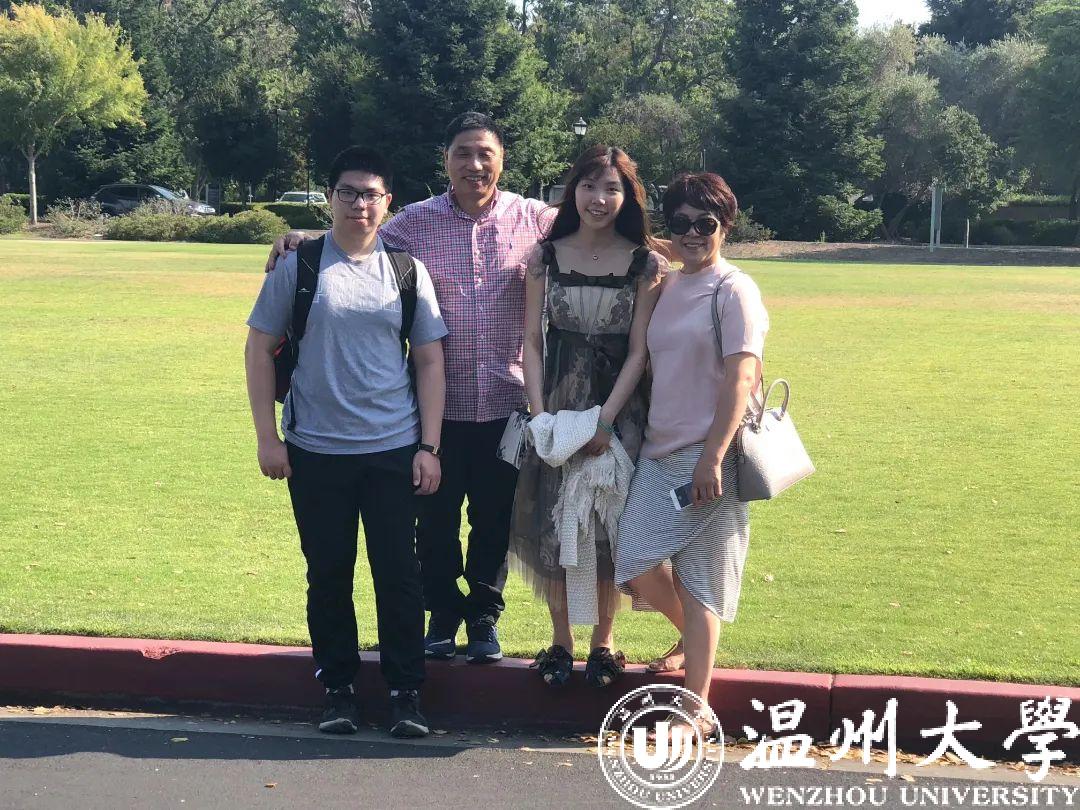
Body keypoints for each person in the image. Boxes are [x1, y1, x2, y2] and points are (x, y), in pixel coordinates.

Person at [266, 113, 554, 664]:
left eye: (485, 153)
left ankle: (484, 617)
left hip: (507, 404)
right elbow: (355, 237)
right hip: (433, 411)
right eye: (463, 152)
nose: (474, 164)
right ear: (445, 159)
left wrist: (664, 256)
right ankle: (441, 614)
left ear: (502, 160)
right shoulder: (414, 223)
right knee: (433, 522)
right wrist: (300, 240)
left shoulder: (536, 219)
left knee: (495, 520)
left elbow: (597, 230)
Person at [245, 146, 448, 738]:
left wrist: (429, 447)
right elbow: (258, 349)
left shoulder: (407, 270)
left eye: (371, 194)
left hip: (392, 448)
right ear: (330, 198)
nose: (360, 204)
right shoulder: (299, 266)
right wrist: (267, 439)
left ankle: (405, 694)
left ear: (388, 203)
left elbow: (430, 360)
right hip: (315, 451)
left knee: (399, 576)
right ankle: (338, 690)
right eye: (348, 193)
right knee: (328, 574)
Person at [615, 172, 769, 737]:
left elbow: (741, 378)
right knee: (635, 562)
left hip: (709, 455)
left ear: (725, 226)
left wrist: (713, 458)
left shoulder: (734, 290)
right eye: (680, 223)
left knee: (700, 579)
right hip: (659, 452)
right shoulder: (668, 284)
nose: (693, 234)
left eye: (706, 223)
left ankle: (696, 708)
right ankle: (695, 640)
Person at [510, 146, 666, 688]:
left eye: (612, 189)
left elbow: (639, 352)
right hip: (556, 402)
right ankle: (560, 641)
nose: (599, 199)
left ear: (628, 197)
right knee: (555, 519)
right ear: (571, 190)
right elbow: (532, 341)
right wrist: (539, 415)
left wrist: (605, 422)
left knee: (607, 522)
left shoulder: (644, 264)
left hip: (621, 408)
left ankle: (605, 642)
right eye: (589, 186)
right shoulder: (544, 258)